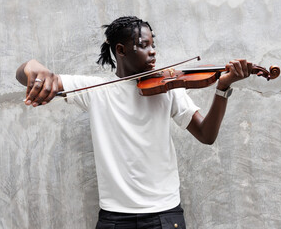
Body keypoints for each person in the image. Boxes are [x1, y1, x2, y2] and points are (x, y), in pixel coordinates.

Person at [16, 16, 253, 229]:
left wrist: (223, 87)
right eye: (143, 45)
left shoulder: (169, 87)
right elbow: (25, 75)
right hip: (114, 217)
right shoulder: (97, 90)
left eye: (153, 45)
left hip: (164, 214)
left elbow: (206, 135)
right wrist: (33, 66)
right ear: (121, 50)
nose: (152, 52)